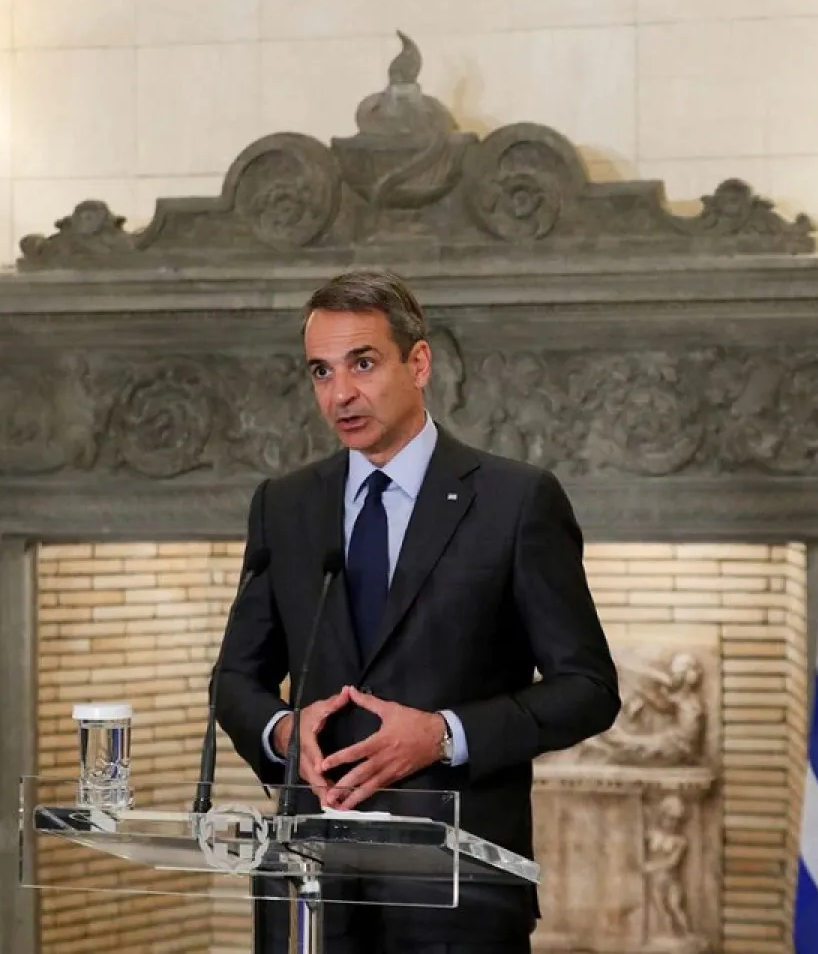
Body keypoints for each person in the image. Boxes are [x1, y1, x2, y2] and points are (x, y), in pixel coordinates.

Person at [214, 268, 621, 953]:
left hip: (457, 898)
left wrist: (444, 733)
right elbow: (235, 680)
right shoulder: (284, 505)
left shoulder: (515, 501)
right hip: (314, 889)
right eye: (321, 371)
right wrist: (286, 732)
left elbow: (589, 690)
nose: (340, 393)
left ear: (420, 362)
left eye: (363, 363)